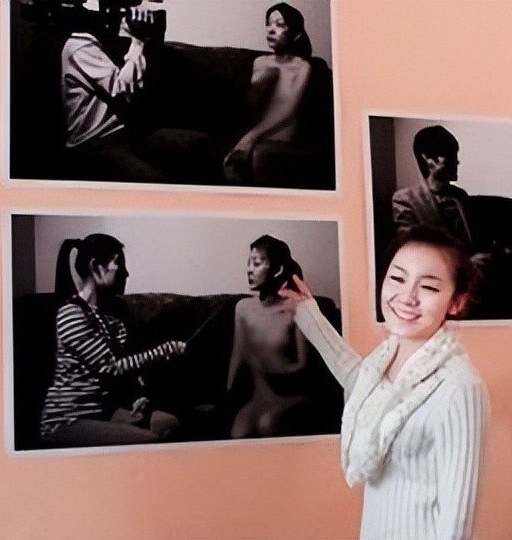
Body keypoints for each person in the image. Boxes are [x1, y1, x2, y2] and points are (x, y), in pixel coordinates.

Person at [280, 226, 489, 539]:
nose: (407, 297)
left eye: (429, 287)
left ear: (456, 303)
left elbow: (457, 520)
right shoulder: (384, 360)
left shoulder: (459, 387)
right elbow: (358, 379)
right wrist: (309, 314)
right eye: (398, 278)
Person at [40, 233, 186, 448]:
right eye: (119, 263)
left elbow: (123, 374)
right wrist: (163, 351)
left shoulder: (111, 320)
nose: (125, 272)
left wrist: (137, 397)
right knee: (154, 442)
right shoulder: (71, 314)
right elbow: (109, 368)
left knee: (170, 423)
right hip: (69, 420)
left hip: (103, 412)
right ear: (96, 267)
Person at [61, 0, 210, 182]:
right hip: (95, 143)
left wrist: (151, 37)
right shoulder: (81, 46)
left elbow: (149, 83)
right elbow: (122, 90)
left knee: (199, 146)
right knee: (158, 182)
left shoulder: (111, 41)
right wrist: (138, 42)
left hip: (126, 133)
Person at [227, 235, 339, 438]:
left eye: (257, 264)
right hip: (260, 397)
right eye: (248, 263)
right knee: (239, 434)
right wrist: (225, 398)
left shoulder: (295, 309)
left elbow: (303, 366)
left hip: (292, 397)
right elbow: (238, 357)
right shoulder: (242, 309)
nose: (249, 270)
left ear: (277, 269)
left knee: (267, 424)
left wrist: (268, 367)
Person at [223, 2, 314, 186]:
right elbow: (249, 107)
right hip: (250, 130)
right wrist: (259, 84)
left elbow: (287, 110)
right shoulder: (260, 62)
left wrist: (250, 137)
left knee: (253, 157)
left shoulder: (302, 66)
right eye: (269, 24)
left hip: (277, 136)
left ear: (295, 33)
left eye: (280, 25)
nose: (271, 30)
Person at [391, 126, 474, 246]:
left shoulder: (460, 196)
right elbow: (410, 246)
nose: (457, 161)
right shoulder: (405, 200)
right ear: (428, 159)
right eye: (450, 155)